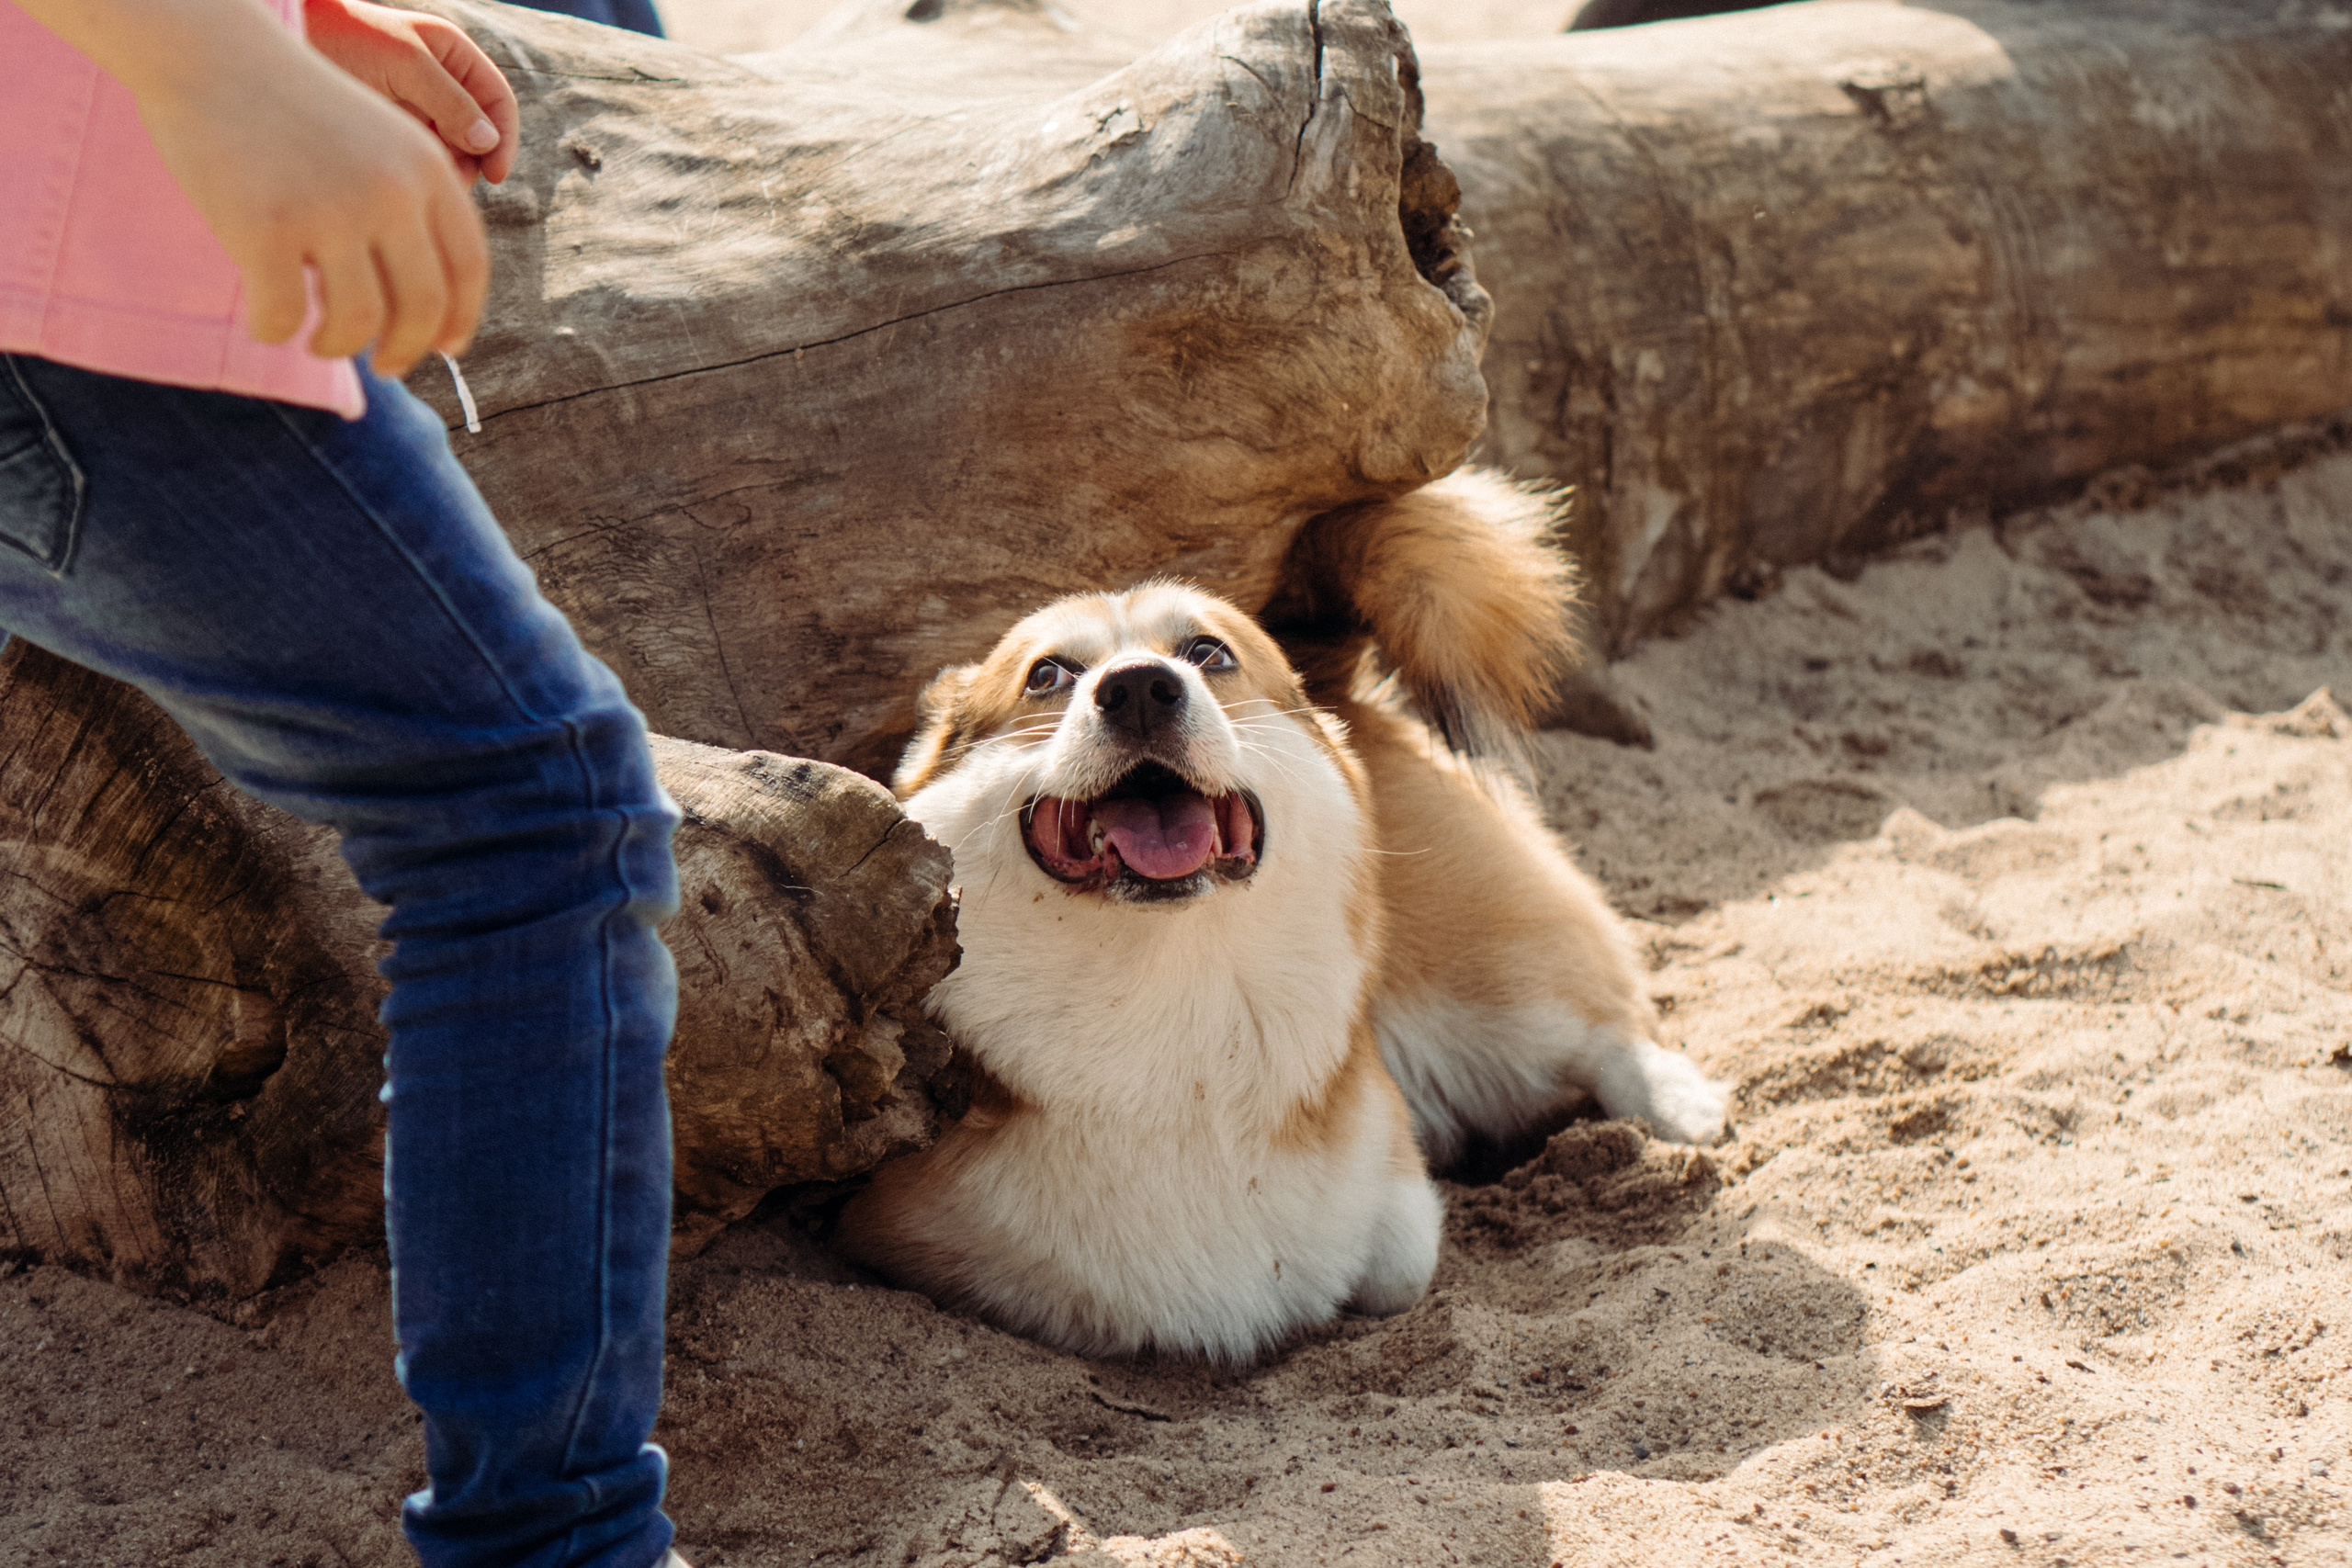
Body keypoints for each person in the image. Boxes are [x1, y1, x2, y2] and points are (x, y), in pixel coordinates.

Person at [1, 0, 689, 1563]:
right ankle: (552, 1543)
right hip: (57, 245)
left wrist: (289, 27)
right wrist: (226, 71)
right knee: (533, 813)